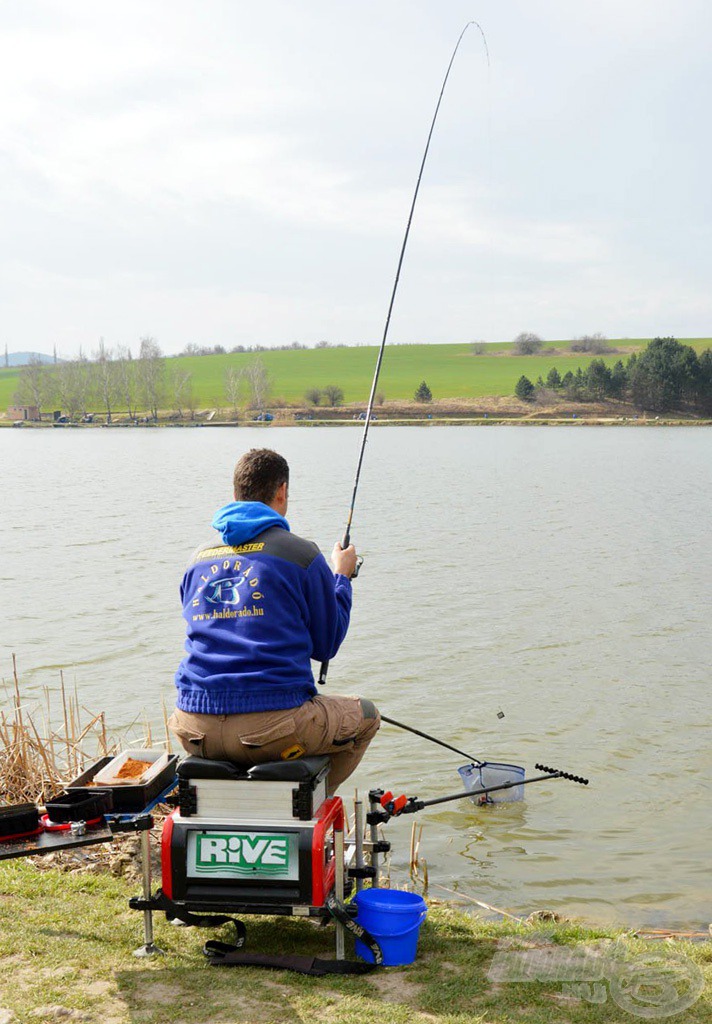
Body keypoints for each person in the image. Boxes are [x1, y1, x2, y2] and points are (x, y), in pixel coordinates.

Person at [168, 448, 379, 792]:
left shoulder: (197, 559)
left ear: (235, 494)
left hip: (193, 726)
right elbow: (327, 645)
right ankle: (307, 809)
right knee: (367, 716)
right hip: (273, 727)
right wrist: (341, 576)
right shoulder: (301, 554)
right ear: (281, 492)